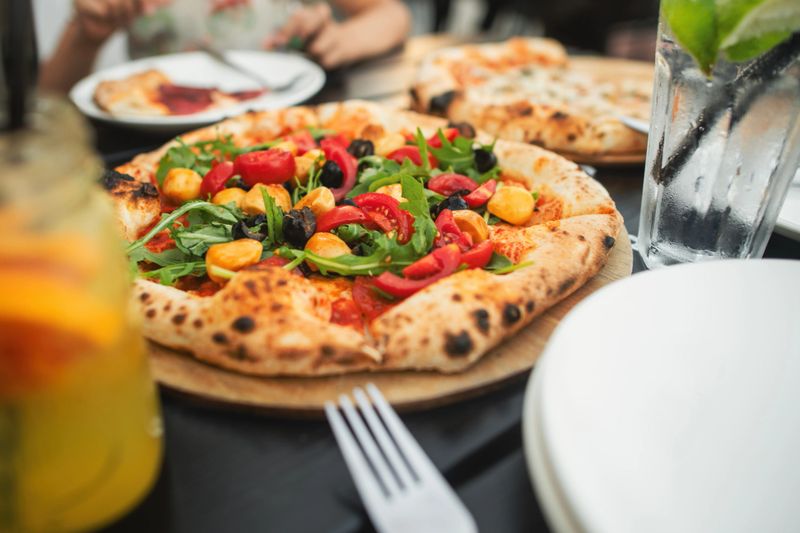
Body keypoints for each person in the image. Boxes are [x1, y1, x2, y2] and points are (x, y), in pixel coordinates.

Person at [39, 0, 411, 94]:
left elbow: (391, 14)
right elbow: (48, 97)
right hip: (157, 132)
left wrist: (342, 40)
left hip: (287, 121)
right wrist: (87, 34)